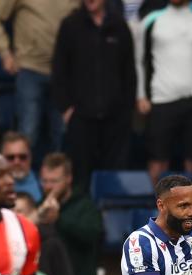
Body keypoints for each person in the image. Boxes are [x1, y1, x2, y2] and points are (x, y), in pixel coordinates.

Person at [51, 0, 136, 187]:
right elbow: (59, 70)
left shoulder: (119, 25)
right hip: (81, 117)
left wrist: (126, 110)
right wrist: (66, 109)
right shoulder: (70, 25)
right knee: (81, 177)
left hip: (116, 117)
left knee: (114, 175)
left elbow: (129, 72)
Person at [136, 0, 192, 183]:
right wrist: (141, 95)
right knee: (158, 163)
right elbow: (139, 60)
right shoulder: (151, 21)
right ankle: (156, 208)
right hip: (160, 101)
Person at [0, 0, 78, 153]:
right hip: (29, 68)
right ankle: (21, 176)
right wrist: (4, 53)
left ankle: (57, 176)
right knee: (28, 132)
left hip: (65, 72)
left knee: (63, 133)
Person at [1, 132, 42, 203]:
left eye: (22, 157)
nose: (17, 162)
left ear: (30, 157)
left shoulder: (44, 182)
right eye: (11, 158)